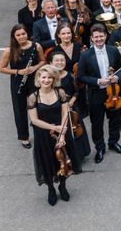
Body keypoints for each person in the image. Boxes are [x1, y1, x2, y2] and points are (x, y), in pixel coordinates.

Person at [27, 65, 82, 206]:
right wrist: (54, 128)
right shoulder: (33, 97)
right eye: (43, 77)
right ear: (38, 78)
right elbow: (34, 120)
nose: (46, 80)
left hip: (62, 131)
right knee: (47, 162)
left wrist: (62, 134)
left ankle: (62, 186)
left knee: (62, 160)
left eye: (50, 77)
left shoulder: (60, 92)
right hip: (43, 135)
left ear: (54, 79)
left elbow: (65, 113)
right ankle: (51, 189)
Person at [77, 24, 121, 164]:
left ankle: (113, 142)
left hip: (113, 92)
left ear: (105, 36)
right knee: (97, 122)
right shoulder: (86, 55)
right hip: (96, 93)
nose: (99, 39)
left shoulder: (113, 50)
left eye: (101, 36)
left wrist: (117, 77)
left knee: (115, 119)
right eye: (96, 37)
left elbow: (120, 68)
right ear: (91, 38)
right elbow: (81, 76)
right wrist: (98, 81)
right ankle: (100, 147)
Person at [0, 24, 45, 148]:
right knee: (20, 110)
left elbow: (43, 61)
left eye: (23, 34)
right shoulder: (9, 50)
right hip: (18, 82)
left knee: (38, 107)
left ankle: (41, 133)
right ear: (14, 36)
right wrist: (18, 72)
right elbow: (1, 69)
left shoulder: (36, 46)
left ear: (27, 34)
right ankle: (24, 137)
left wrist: (34, 67)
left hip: (34, 81)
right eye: (18, 35)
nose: (21, 37)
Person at [49, 50, 90, 161]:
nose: (59, 62)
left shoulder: (70, 75)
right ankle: (63, 156)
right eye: (56, 60)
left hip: (72, 107)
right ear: (51, 63)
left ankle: (78, 155)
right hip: (57, 109)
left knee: (75, 131)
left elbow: (77, 91)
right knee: (61, 132)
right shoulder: (48, 77)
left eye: (62, 60)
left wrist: (72, 100)